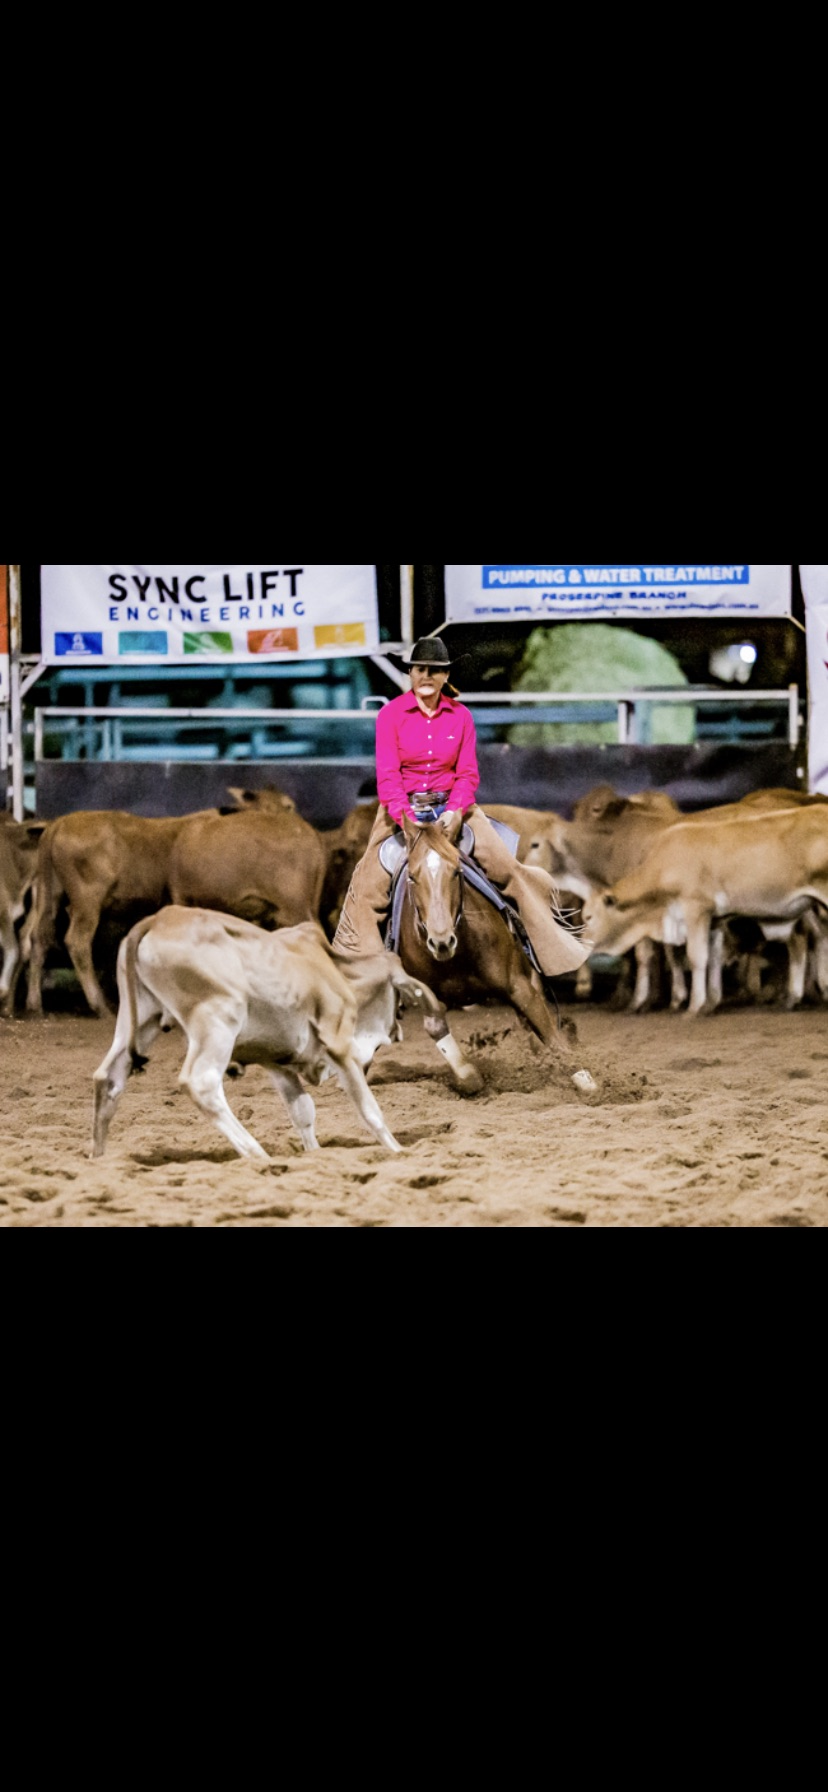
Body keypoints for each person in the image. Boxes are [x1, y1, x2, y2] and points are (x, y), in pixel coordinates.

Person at [333, 637, 590, 977]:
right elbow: (388, 775)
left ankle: (537, 951)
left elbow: (467, 774)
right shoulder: (390, 716)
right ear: (411, 673)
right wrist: (405, 818)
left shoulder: (460, 717)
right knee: (365, 888)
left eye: (435, 671)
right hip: (401, 811)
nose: (427, 676)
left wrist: (455, 811)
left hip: (454, 806)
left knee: (508, 870)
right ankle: (364, 978)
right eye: (421, 669)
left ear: (445, 676)